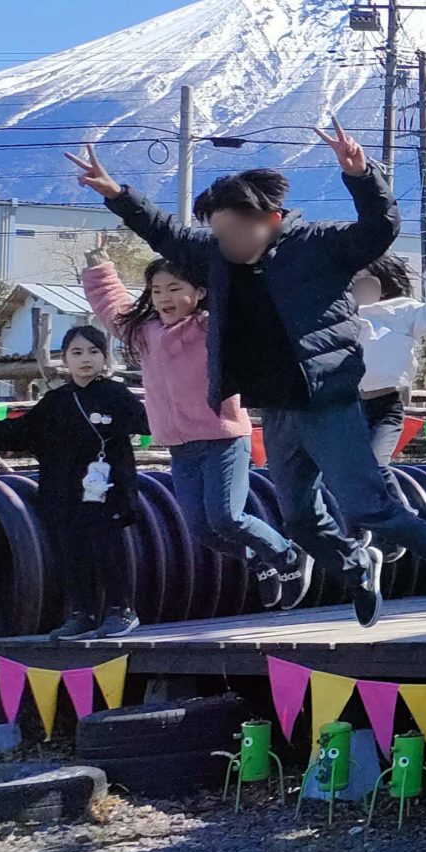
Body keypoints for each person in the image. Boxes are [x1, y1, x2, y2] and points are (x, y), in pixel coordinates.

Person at [68, 124, 426, 629]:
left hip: (327, 398)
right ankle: (356, 565)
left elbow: (378, 229)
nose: (224, 241)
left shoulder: (318, 245)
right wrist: (119, 195)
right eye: (217, 232)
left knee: (364, 506)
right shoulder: (215, 256)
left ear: (270, 220)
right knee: (298, 519)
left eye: (232, 230)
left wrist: (361, 176)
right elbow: (164, 232)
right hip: (276, 405)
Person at [82, 244, 301, 599]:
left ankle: (286, 555)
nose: (164, 297)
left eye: (174, 289)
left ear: (198, 293)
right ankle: (257, 561)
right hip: (182, 447)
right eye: (156, 290)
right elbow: (112, 308)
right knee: (201, 529)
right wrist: (100, 269)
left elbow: (246, 307)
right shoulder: (144, 334)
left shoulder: (211, 328)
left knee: (226, 517)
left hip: (223, 438)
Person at [0, 325, 148, 639]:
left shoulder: (117, 395)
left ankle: (122, 611)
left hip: (107, 490)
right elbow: (17, 433)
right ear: (64, 359)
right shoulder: (55, 402)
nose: (85, 359)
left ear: (105, 357)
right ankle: (82, 614)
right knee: (73, 552)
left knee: (108, 549)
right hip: (64, 493)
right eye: (76, 352)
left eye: (93, 351)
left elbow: (152, 421)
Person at [349, 253, 426, 466]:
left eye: (363, 280)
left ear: (382, 282)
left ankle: (391, 500)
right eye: (353, 281)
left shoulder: (403, 310)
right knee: (352, 471)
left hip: (385, 404)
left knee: (376, 464)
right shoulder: (345, 313)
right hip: (347, 405)